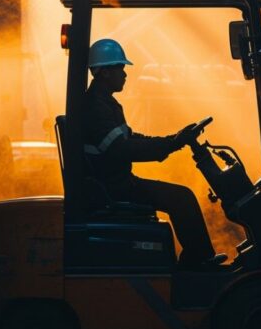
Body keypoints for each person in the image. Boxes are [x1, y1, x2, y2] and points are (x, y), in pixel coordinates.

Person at [82, 38, 226, 269]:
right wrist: (171, 144)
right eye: (120, 68)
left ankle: (197, 260)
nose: (125, 74)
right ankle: (198, 263)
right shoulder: (96, 108)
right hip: (115, 188)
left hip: (114, 182)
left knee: (181, 197)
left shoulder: (104, 103)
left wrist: (172, 140)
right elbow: (122, 149)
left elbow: (130, 139)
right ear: (105, 72)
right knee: (182, 198)